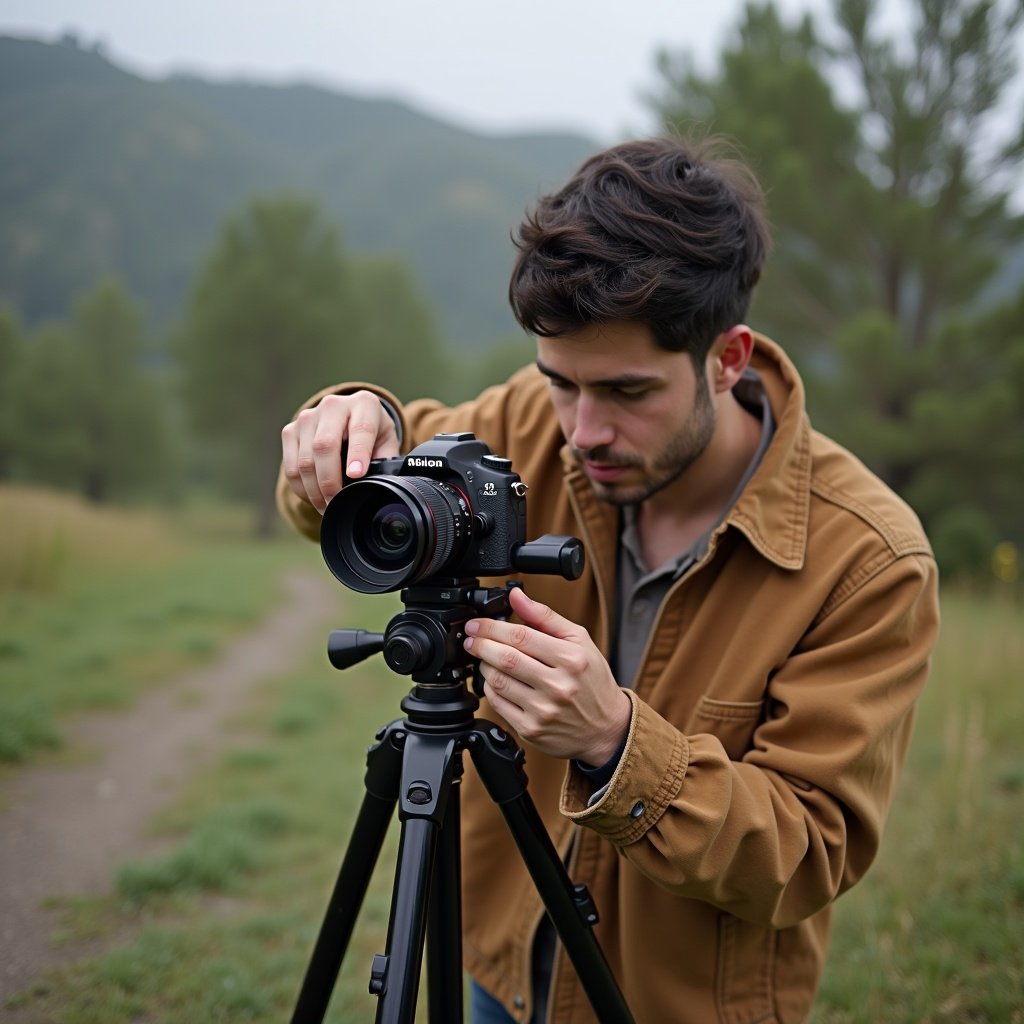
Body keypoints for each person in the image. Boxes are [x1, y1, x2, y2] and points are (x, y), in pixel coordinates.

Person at [278, 135, 940, 1024]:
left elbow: (808, 854)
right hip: (496, 970)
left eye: (628, 393)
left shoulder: (865, 559)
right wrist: (347, 425)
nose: (582, 432)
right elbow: (376, 474)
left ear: (728, 357)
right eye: (561, 383)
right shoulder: (527, 422)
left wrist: (618, 741)